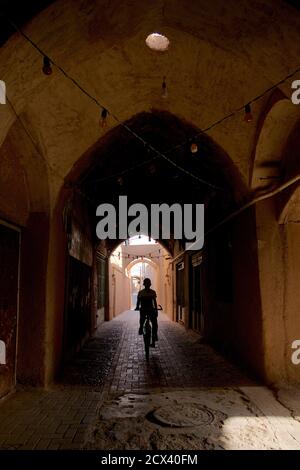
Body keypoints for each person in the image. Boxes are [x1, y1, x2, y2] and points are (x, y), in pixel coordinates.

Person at [135, 278, 158, 347]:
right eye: (147, 284)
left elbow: (138, 302)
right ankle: (154, 337)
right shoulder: (152, 292)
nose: (147, 285)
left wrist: (137, 307)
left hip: (144, 310)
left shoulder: (141, 292)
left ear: (144, 284)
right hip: (150, 310)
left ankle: (141, 328)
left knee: (142, 319)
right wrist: (156, 310)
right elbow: (154, 302)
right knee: (154, 324)